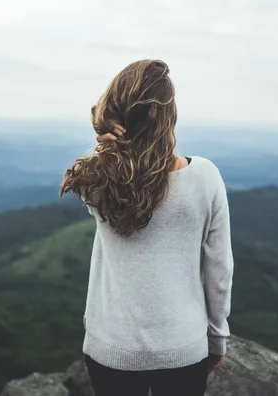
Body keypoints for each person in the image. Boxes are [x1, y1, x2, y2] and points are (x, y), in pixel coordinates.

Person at [60, 59, 234, 396]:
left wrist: (102, 135)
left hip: (111, 347)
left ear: (116, 116)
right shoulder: (205, 178)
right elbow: (219, 271)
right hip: (184, 347)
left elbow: (93, 165)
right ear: (170, 115)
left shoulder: (98, 179)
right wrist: (217, 338)